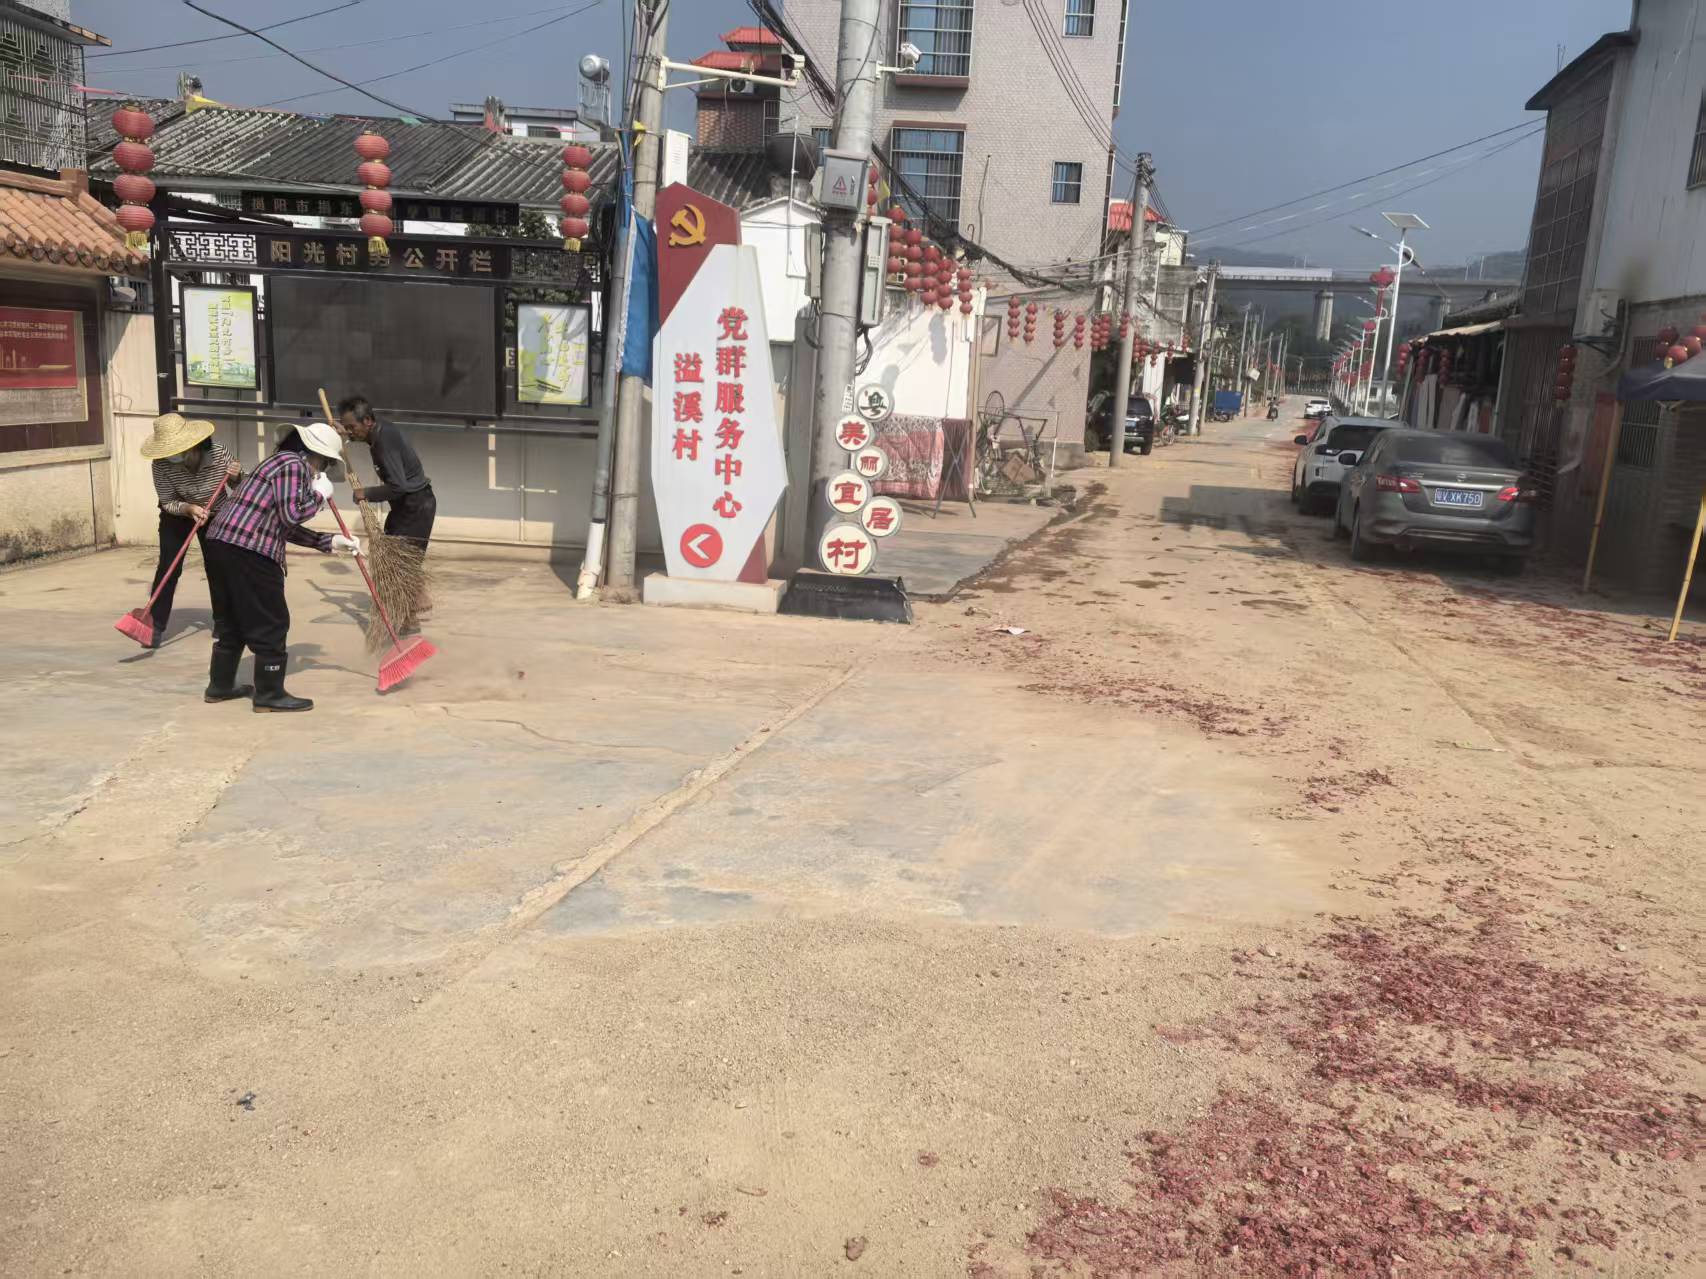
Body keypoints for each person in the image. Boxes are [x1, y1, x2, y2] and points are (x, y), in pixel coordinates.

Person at [203, 422, 360, 712]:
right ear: (315, 454)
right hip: (250, 551)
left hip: (221, 544)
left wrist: (329, 542)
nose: (321, 472)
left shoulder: (276, 462)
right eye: (325, 464)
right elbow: (292, 515)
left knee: (233, 619)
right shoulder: (293, 465)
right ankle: (269, 695)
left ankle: (220, 686)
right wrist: (319, 496)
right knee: (271, 621)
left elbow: (279, 523)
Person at [138, 413, 241, 652]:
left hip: (215, 513)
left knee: (218, 567)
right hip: (178, 514)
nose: (171, 456)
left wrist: (237, 476)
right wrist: (188, 508)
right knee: (168, 567)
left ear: (193, 445)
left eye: (176, 450)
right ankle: (154, 626)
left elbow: (238, 486)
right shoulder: (160, 464)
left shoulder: (219, 454)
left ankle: (224, 622)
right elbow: (167, 501)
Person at [336, 395, 435, 619]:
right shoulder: (379, 431)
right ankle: (408, 609)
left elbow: (398, 487)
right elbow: (359, 435)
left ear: (367, 420)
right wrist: (345, 434)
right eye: (346, 427)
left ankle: (408, 612)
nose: (350, 431)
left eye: (352, 427)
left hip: (416, 506)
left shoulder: (384, 442)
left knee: (401, 564)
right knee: (393, 560)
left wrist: (366, 493)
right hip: (406, 506)